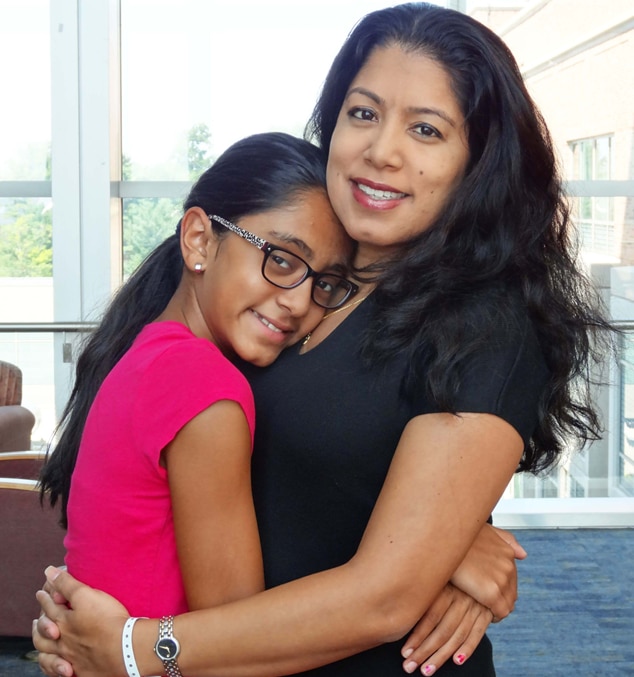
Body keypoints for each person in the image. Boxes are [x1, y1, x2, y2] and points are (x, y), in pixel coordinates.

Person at [34, 3, 612, 676]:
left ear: (475, 163)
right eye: (363, 113)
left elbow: (385, 596)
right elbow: (261, 475)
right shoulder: (288, 293)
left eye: (426, 129)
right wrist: (447, 545)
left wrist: (137, 648)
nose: (382, 150)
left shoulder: (484, 323)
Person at [38, 131, 357, 618]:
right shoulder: (203, 386)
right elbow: (237, 645)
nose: (298, 300)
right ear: (199, 240)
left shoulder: (148, 354)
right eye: (282, 259)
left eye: (325, 282)